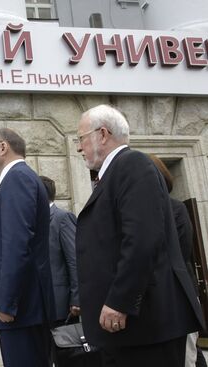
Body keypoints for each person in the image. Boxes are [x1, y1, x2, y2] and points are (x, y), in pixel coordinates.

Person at [75, 104, 205, 367]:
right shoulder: (113, 173)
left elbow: (142, 239)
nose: (79, 147)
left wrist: (120, 301)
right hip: (131, 332)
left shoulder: (132, 164)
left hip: (146, 326)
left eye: (81, 138)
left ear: (102, 134)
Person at [0, 128, 54, 367]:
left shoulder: (18, 178)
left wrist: (7, 302)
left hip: (20, 310)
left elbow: (16, 244)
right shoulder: (18, 179)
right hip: (21, 309)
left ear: (3, 147)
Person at [148, 154, 208, 367]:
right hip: (156, 304)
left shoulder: (176, 209)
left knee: (186, 356)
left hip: (178, 297)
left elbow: (179, 254)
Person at [39, 176, 80, 324]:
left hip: (61, 307)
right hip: (38, 307)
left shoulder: (62, 218)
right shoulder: (32, 220)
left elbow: (74, 259)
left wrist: (77, 299)